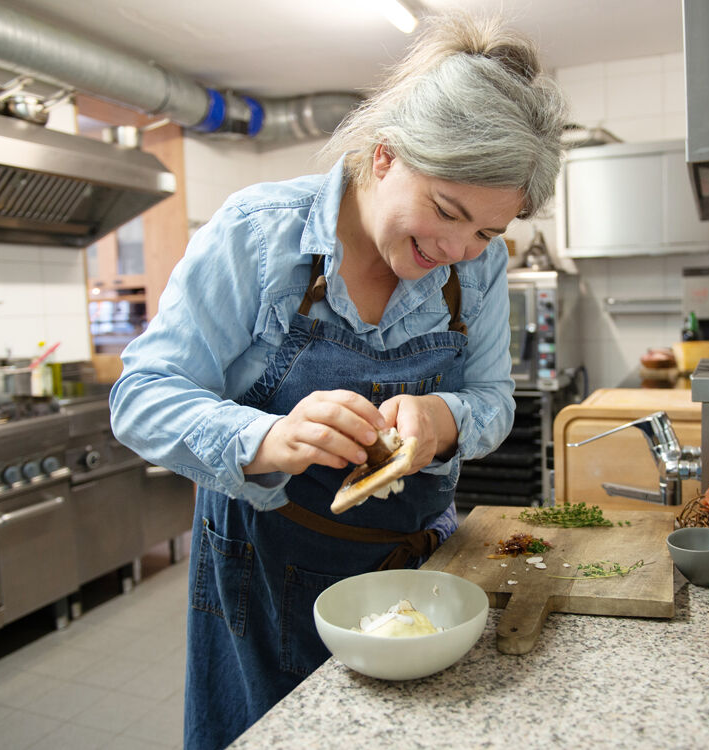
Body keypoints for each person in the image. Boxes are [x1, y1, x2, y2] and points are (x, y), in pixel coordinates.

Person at [109, 13, 566, 750]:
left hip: (415, 564)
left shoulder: (473, 269)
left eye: (486, 232)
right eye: (446, 212)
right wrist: (269, 435)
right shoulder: (259, 237)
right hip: (268, 574)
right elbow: (141, 397)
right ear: (384, 157)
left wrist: (442, 419)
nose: (457, 249)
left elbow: (492, 401)